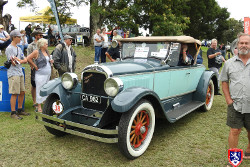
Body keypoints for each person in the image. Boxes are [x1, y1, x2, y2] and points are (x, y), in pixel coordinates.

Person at [219, 33, 250, 167]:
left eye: (246, 43)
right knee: (234, 131)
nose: (244, 45)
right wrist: (228, 100)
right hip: (235, 105)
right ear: (237, 45)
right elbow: (224, 81)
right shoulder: (229, 63)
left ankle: (248, 150)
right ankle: (234, 160)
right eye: (241, 43)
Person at [5, 30, 29, 120]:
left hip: (19, 72)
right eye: (19, 37)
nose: (20, 38)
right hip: (13, 73)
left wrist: (20, 60)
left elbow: (24, 59)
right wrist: (19, 60)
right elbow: (14, 62)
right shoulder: (9, 48)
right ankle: (13, 112)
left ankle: (19, 109)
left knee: (22, 92)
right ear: (14, 37)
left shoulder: (19, 48)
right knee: (15, 93)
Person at [27, 38, 53, 113]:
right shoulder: (36, 52)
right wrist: (34, 66)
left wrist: (51, 61)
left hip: (47, 73)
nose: (47, 45)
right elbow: (28, 58)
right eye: (46, 44)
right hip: (40, 74)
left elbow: (48, 60)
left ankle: (45, 104)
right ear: (42, 45)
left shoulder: (47, 52)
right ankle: (39, 106)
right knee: (39, 88)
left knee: (46, 88)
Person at [27, 29, 44, 109]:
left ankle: (40, 100)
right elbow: (28, 58)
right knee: (34, 85)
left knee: (41, 84)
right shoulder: (31, 46)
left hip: (42, 67)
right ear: (35, 36)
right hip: (34, 67)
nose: (41, 37)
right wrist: (32, 66)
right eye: (40, 35)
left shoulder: (43, 45)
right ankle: (34, 101)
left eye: (42, 35)